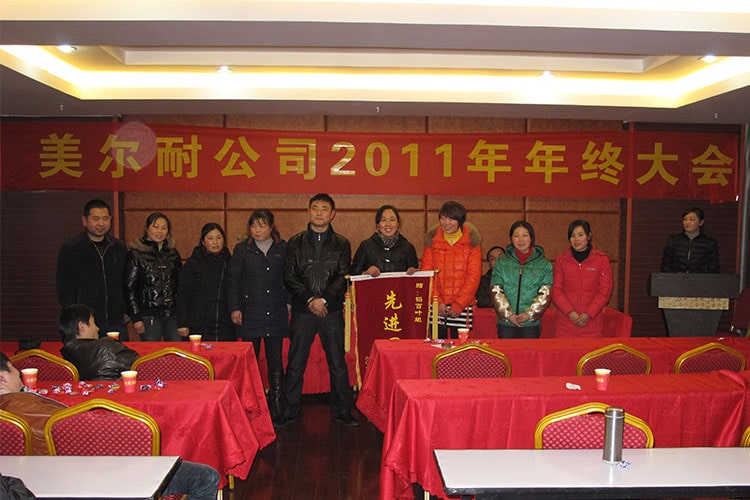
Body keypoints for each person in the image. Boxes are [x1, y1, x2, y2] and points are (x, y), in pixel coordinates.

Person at [0, 352, 221, 499]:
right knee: (207, 477)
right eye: (13, 368)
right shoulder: (24, 407)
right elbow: (83, 435)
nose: (18, 372)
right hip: (89, 477)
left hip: (31, 483)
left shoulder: (15, 410)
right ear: (3, 378)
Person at [279, 194, 357, 427]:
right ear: (308, 212)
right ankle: (289, 411)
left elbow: (343, 276)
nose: (319, 213)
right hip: (303, 311)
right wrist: (310, 299)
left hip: (331, 311)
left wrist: (323, 300)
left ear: (332, 214)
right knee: (295, 363)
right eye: (315, 208)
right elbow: (288, 276)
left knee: (337, 364)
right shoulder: (295, 242)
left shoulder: (342, 243)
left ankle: (342, 411)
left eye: (324, 209)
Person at [228, 210, 289, 423]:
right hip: (250, 312)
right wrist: (235, 308)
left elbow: (289, 277)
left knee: (275, 363)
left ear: (271, 227)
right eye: (253, 226)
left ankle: (277, 406)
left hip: (276, 311)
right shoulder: (242, 249)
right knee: (250, 363)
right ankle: (251, 406)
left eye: (262, 225)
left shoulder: (283, 248)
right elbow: (233, 281)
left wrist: (289, 302)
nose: (257, 230)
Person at [56, 199, 129, 340]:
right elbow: (64, 287)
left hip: (116, 319)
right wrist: (74, 316)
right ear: (84, 220)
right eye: (96, 219)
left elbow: (126, 282)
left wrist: (126, 310)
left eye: (105, 219)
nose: (101, 223)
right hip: (85, 323)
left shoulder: (118, 247)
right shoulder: (72, 247)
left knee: (118, 353)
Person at [420, 201, 482, 339]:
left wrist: (459, 304)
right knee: (436, 345)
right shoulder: (431, 241)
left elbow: (474, 276)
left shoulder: (472, 243)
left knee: (460, 346)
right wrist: (437, 301)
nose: (446, 223)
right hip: (436, 305)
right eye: (443, 218)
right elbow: (427, 273)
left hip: (463, 306)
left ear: (460, 221)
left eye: (451, 219)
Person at [125, 212, 182, 341]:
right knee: (151, 351)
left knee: (177, 350)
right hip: (148, 316)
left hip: (173, 314)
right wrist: (136, 317)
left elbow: (181, 284)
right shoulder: (136, 254)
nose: (160, 231)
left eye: (164, 228)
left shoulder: (173, 253)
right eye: (156, 227)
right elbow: (130, 288)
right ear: (146, 228)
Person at [491, 221, 553, 339]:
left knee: (529, 350)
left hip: (530, 323)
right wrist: (508, 314)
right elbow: (496, 289)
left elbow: (545, 293)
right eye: (516, 236)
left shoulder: (544, 265)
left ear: (531, 238)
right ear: (511, 238)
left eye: (525, 235)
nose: (521, 240)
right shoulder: (501, 262)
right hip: (506, 322)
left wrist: (529, 314)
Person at [551, 220, 613, 338]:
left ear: (589, 236)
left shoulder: (601, 260)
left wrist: (589, 314)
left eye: (580, 235)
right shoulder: (561, 260)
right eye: (572, 235)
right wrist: (571, 313)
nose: (576, 239)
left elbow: (604, 291)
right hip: (565, 324)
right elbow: (556, 290)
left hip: (592, 323)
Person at [177, 223, 234, 342]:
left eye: (219, 238)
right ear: (203, 242)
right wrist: (182, 322)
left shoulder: (230, 262)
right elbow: (183, 294)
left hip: (225, 326)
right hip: (198, 325)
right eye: (210, 238)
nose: (215, 242)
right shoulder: (193, 263)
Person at [58, 304, 139, 381]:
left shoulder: (65, 357)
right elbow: (140, 365)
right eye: (93, 322)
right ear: (82, 326)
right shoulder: (107, 348)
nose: (97, 328)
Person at [349, 204, 419, 276]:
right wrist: (366, 273)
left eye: (392, 220)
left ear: (398, 224)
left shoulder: (408, 248)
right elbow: (353, 275)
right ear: (378, 225)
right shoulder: (366, 246)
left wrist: (413, 273)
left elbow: (416, 278)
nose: (388, 224)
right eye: (383, 220)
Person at [660, 206, 720, 274]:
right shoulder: (673, 240)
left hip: (699, 279)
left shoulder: (709, 243)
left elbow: (713, 269)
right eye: (685, 219)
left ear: (701, 222)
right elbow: (665, 266)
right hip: (676, 279)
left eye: (692, 219)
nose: (687, 222)